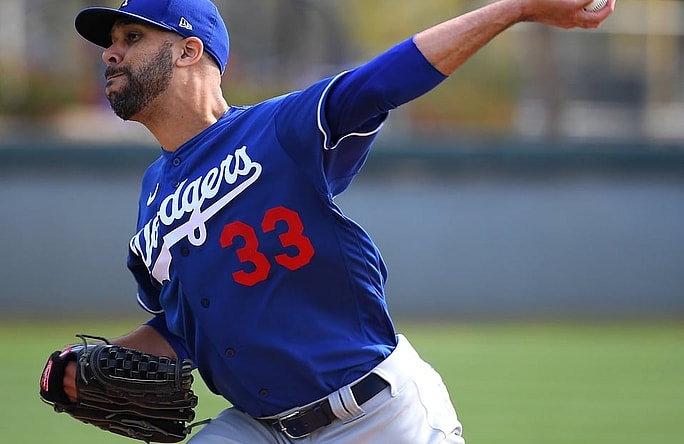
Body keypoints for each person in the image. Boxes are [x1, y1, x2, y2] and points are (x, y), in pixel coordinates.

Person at [64, 0, 615, 442]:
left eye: (132, 38)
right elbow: (181, 328)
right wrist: (95, 362)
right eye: (110, 43)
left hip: (378, 417)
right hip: (258, 426)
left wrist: (513, 9)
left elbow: (382, 81)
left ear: (188, 51)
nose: (111, 53)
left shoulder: (277, 129)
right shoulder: (153, 193)